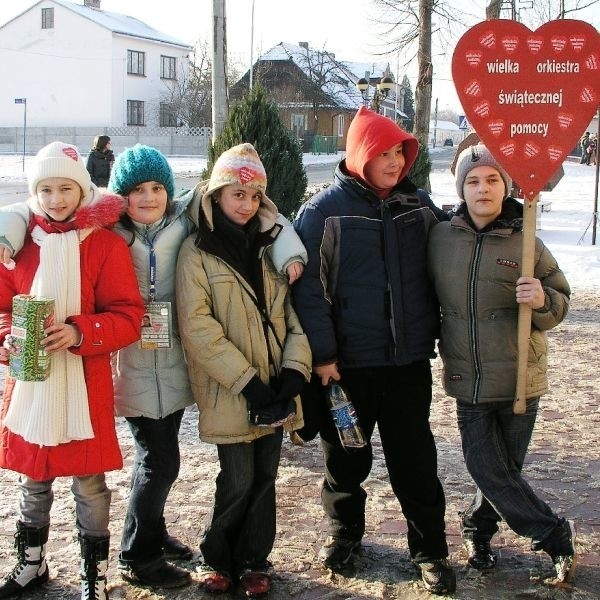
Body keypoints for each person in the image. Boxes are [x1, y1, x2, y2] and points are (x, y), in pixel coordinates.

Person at [292, 106, 456, 595]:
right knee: (346, 459)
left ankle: (429, 549)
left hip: (407, 362)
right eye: (383, 153)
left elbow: (453, 248)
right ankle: (345, 535)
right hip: (347, 368)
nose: (393, 162)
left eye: (400, 152)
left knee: (415, 460)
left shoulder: (418, 204)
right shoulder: (324, 211)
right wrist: (323, 356)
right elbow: (309, 293)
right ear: (361, 153)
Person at [0, 141, 145, 600]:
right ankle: (31, 562)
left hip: (85, 385)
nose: (56, 199)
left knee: (89, 485)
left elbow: (128, 315)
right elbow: (2, 308)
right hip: (32, 384)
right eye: (45, 189)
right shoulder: (18, 246)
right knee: (33, 479)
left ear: (82, 190)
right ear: (34, 193)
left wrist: (82, 332)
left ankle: (94, 576)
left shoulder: (103, 245)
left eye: (66, 188)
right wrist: (6, 338)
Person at [427, 143, 575, 583]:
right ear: (462, 189)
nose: (483, 188)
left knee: (503, 471)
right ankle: (552, 534)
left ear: (505, 185)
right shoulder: (440, 238)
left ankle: (478, 531)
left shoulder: (527, 240)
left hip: (518, 378)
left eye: (492, 179)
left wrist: (544, 299)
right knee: (485, 465)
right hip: (468, 377)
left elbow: (561, 299)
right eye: (472, 181)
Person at [176, 143, 312, 598]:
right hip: (233, 390)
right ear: (216, 194)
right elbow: (199, 328)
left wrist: (293, 374)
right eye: (237, 194)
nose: (246, 204)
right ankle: (220, 559)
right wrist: (249, 385)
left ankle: (255, 560)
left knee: (266, 478)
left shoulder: (271, 247)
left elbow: (294, 316)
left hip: (275, 386)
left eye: (254, 197)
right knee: (236, 479)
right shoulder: (197, 252)